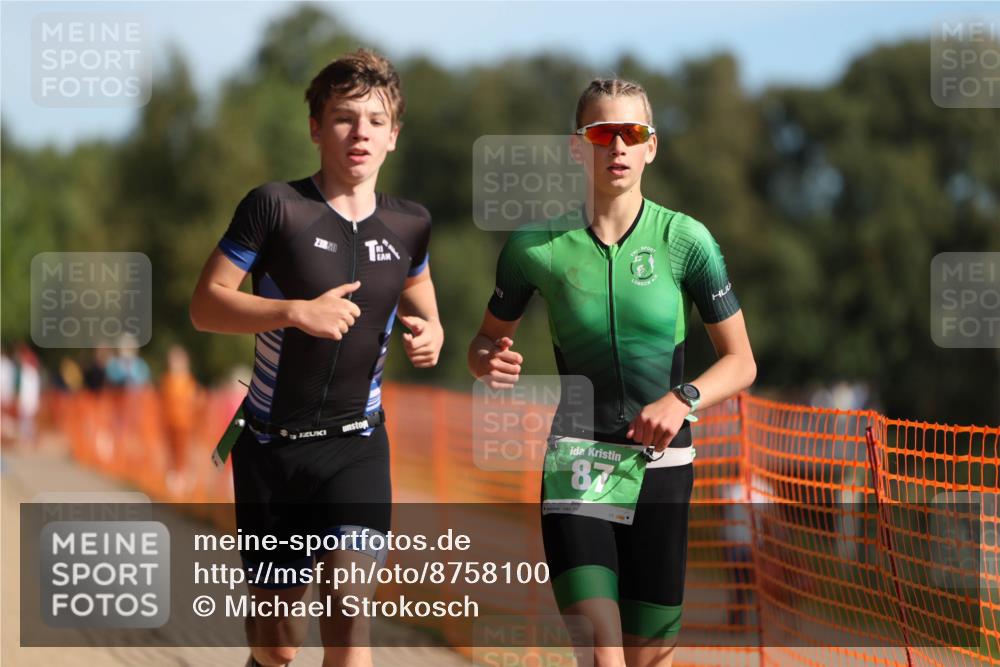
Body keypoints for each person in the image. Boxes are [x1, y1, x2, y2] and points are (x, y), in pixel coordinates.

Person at [467, 78, 756, 667]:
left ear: (652, 146)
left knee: (649, 655)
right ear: (580, 147)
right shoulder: (535, 247)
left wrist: (684, 398)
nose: (618, 146)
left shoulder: (686, 240)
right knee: (603, 645)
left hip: (664, 467)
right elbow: (484, 342)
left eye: (633, 133)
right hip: (578, 460)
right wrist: (487, 359)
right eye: (603, 133)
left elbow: (742, 362)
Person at [190, 48, 442, 667]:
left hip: (356, 445)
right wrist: (293, 311)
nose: (360, 133)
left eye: (376, 121)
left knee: (349, 614)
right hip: (271, 448)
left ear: (394, 137)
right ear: (315, 127)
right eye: (343, 118)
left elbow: (424, 304)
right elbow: (205, 305)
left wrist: (430, 333)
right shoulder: (276, 208)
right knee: (278, 646)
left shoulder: (411, 224)